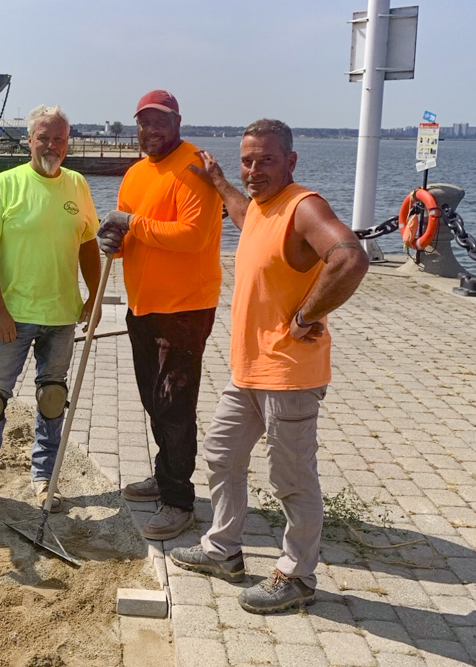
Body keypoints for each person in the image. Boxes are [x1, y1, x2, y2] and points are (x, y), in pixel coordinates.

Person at [167, 119, 370, 614]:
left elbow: (350, 258)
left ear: (291, 161)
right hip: (249, 372)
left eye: (266, 160)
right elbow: (244, 215)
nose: (254, 170)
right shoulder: (261, 206)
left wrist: (306, 315)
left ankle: (297, 576)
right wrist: (219, 182)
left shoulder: (304, 206)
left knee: (292, 479)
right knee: (221, 453)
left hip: (289, 377)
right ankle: (223, 549)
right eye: (247, 160)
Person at [0, 105, 101, 518]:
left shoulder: (77, 186)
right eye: (44, 137)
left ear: (67, 143)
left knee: (53, 397)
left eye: (60, 139)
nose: (51, 145)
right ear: (30, 139)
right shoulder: (5, 184)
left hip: (61, 314)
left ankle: (44, 479)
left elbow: (89, 244)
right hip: (12, 316)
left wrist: (95, 297)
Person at [96, 90, 222, 540]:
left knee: (174, 406)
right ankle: (164, 473)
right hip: (142, 306)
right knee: (154, 399)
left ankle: (178, 500)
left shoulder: (195, 169)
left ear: (178, 122)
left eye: (161, 122)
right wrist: (114, 237)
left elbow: (191, 236)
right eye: (145, 122)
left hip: (185, 309)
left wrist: (131, 225)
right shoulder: (134, 174)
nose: (152, 131)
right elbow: (128, 227)